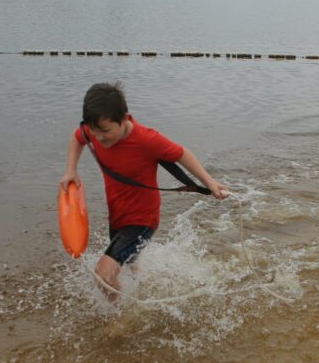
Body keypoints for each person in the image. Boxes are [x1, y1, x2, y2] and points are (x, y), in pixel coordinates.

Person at [59, 83, 228, 296]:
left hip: (142, 219)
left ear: (124, 118)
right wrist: (70, 170)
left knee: (103, 276)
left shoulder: (147, 139)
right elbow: (78, 137)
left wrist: (210, 183)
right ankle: (142, 289)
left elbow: (182, 154)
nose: (99, 137)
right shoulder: (94, 128)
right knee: (130, 264)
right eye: (94, 131)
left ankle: (121, 316)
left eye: (105, 131)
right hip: (117, 215)